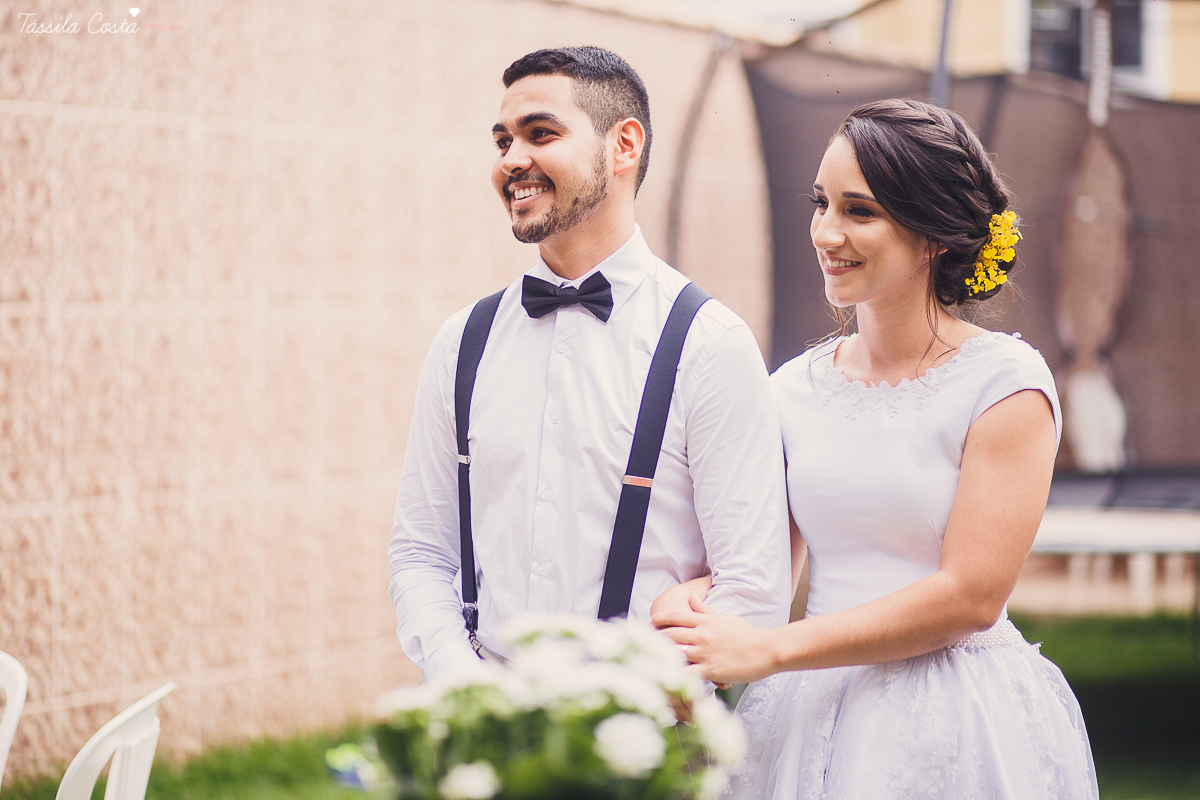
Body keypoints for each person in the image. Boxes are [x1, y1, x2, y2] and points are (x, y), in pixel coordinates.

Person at [654, 99, 1099, 799]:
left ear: (933, 236)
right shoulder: (790, 390)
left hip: (957, 712)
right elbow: (765, 568)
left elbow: (970, 597)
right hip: (809, 709)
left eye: (859, 212)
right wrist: (695, 602)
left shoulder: (1005, 385)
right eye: (821, 203)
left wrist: (771, 649)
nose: (826, 232)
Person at [388, 46, 792, 682]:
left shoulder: (710, 345)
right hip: (482, 718)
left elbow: (754, 588)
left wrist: (615, 709)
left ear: (623, 145)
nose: (511, 160)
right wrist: (464, 684)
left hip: (644, 726)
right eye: (503, 141)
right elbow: (421, 552)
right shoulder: (462, 341)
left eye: (540, 133)